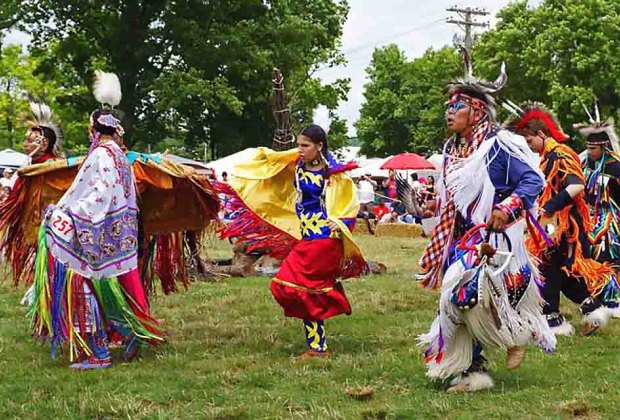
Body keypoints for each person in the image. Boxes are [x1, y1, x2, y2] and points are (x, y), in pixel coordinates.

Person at [417, 48, 555, 393]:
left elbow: (532, 182)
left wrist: (505, 208)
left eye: (456, 107)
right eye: (448, 107)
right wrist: (431, 204)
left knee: (466, 298)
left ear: (477, 111)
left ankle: (512, 337)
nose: (449, 113)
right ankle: (473, 369)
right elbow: (454, 197)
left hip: (494, 240)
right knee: (461, 301)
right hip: (459, 238)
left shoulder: (497, 146)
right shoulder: (452, 150)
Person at [30, 71, 164, 370]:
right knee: (104, 287)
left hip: (96, 233)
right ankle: (131, 333)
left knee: (81, 284)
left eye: (90, 127)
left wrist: (68, 215)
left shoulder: (103, 155)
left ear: (95, 129)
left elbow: (100, 194)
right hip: (116, 235)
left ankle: (98, 352)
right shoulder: (117, 153)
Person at [217, 124, 367, 361]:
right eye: (298, 144)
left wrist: (339, 221)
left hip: (324, 239)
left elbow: (349, 202)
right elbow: (272, 168)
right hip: (306, 236)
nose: (300, 149)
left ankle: (320, 340)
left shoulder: (333, 174)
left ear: (320, 146)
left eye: (305, 145)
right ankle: (319, 340)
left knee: (292, 285)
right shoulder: (297, 164)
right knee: (305, 291)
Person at [507, 101, 615, 336]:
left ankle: (554, 320)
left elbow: (576, 186)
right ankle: (592, 309)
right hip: (555, 226)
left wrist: (548, 208)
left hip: (566, 227)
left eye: (530, 141)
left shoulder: (561, 154)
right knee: (561, 271)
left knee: (547, 269)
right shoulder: (547, 156)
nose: (530, 146)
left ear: (541, 134)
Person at [576, 112, 620, 317]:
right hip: (591, 216)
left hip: (612, 217)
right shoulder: (587, 165)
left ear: (603, 146)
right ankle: (598, 294)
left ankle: (612, 298)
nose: (589, 151)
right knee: (591, 252)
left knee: (608, 253)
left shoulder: (615, 166)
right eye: (588, 147)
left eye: (593, 148)